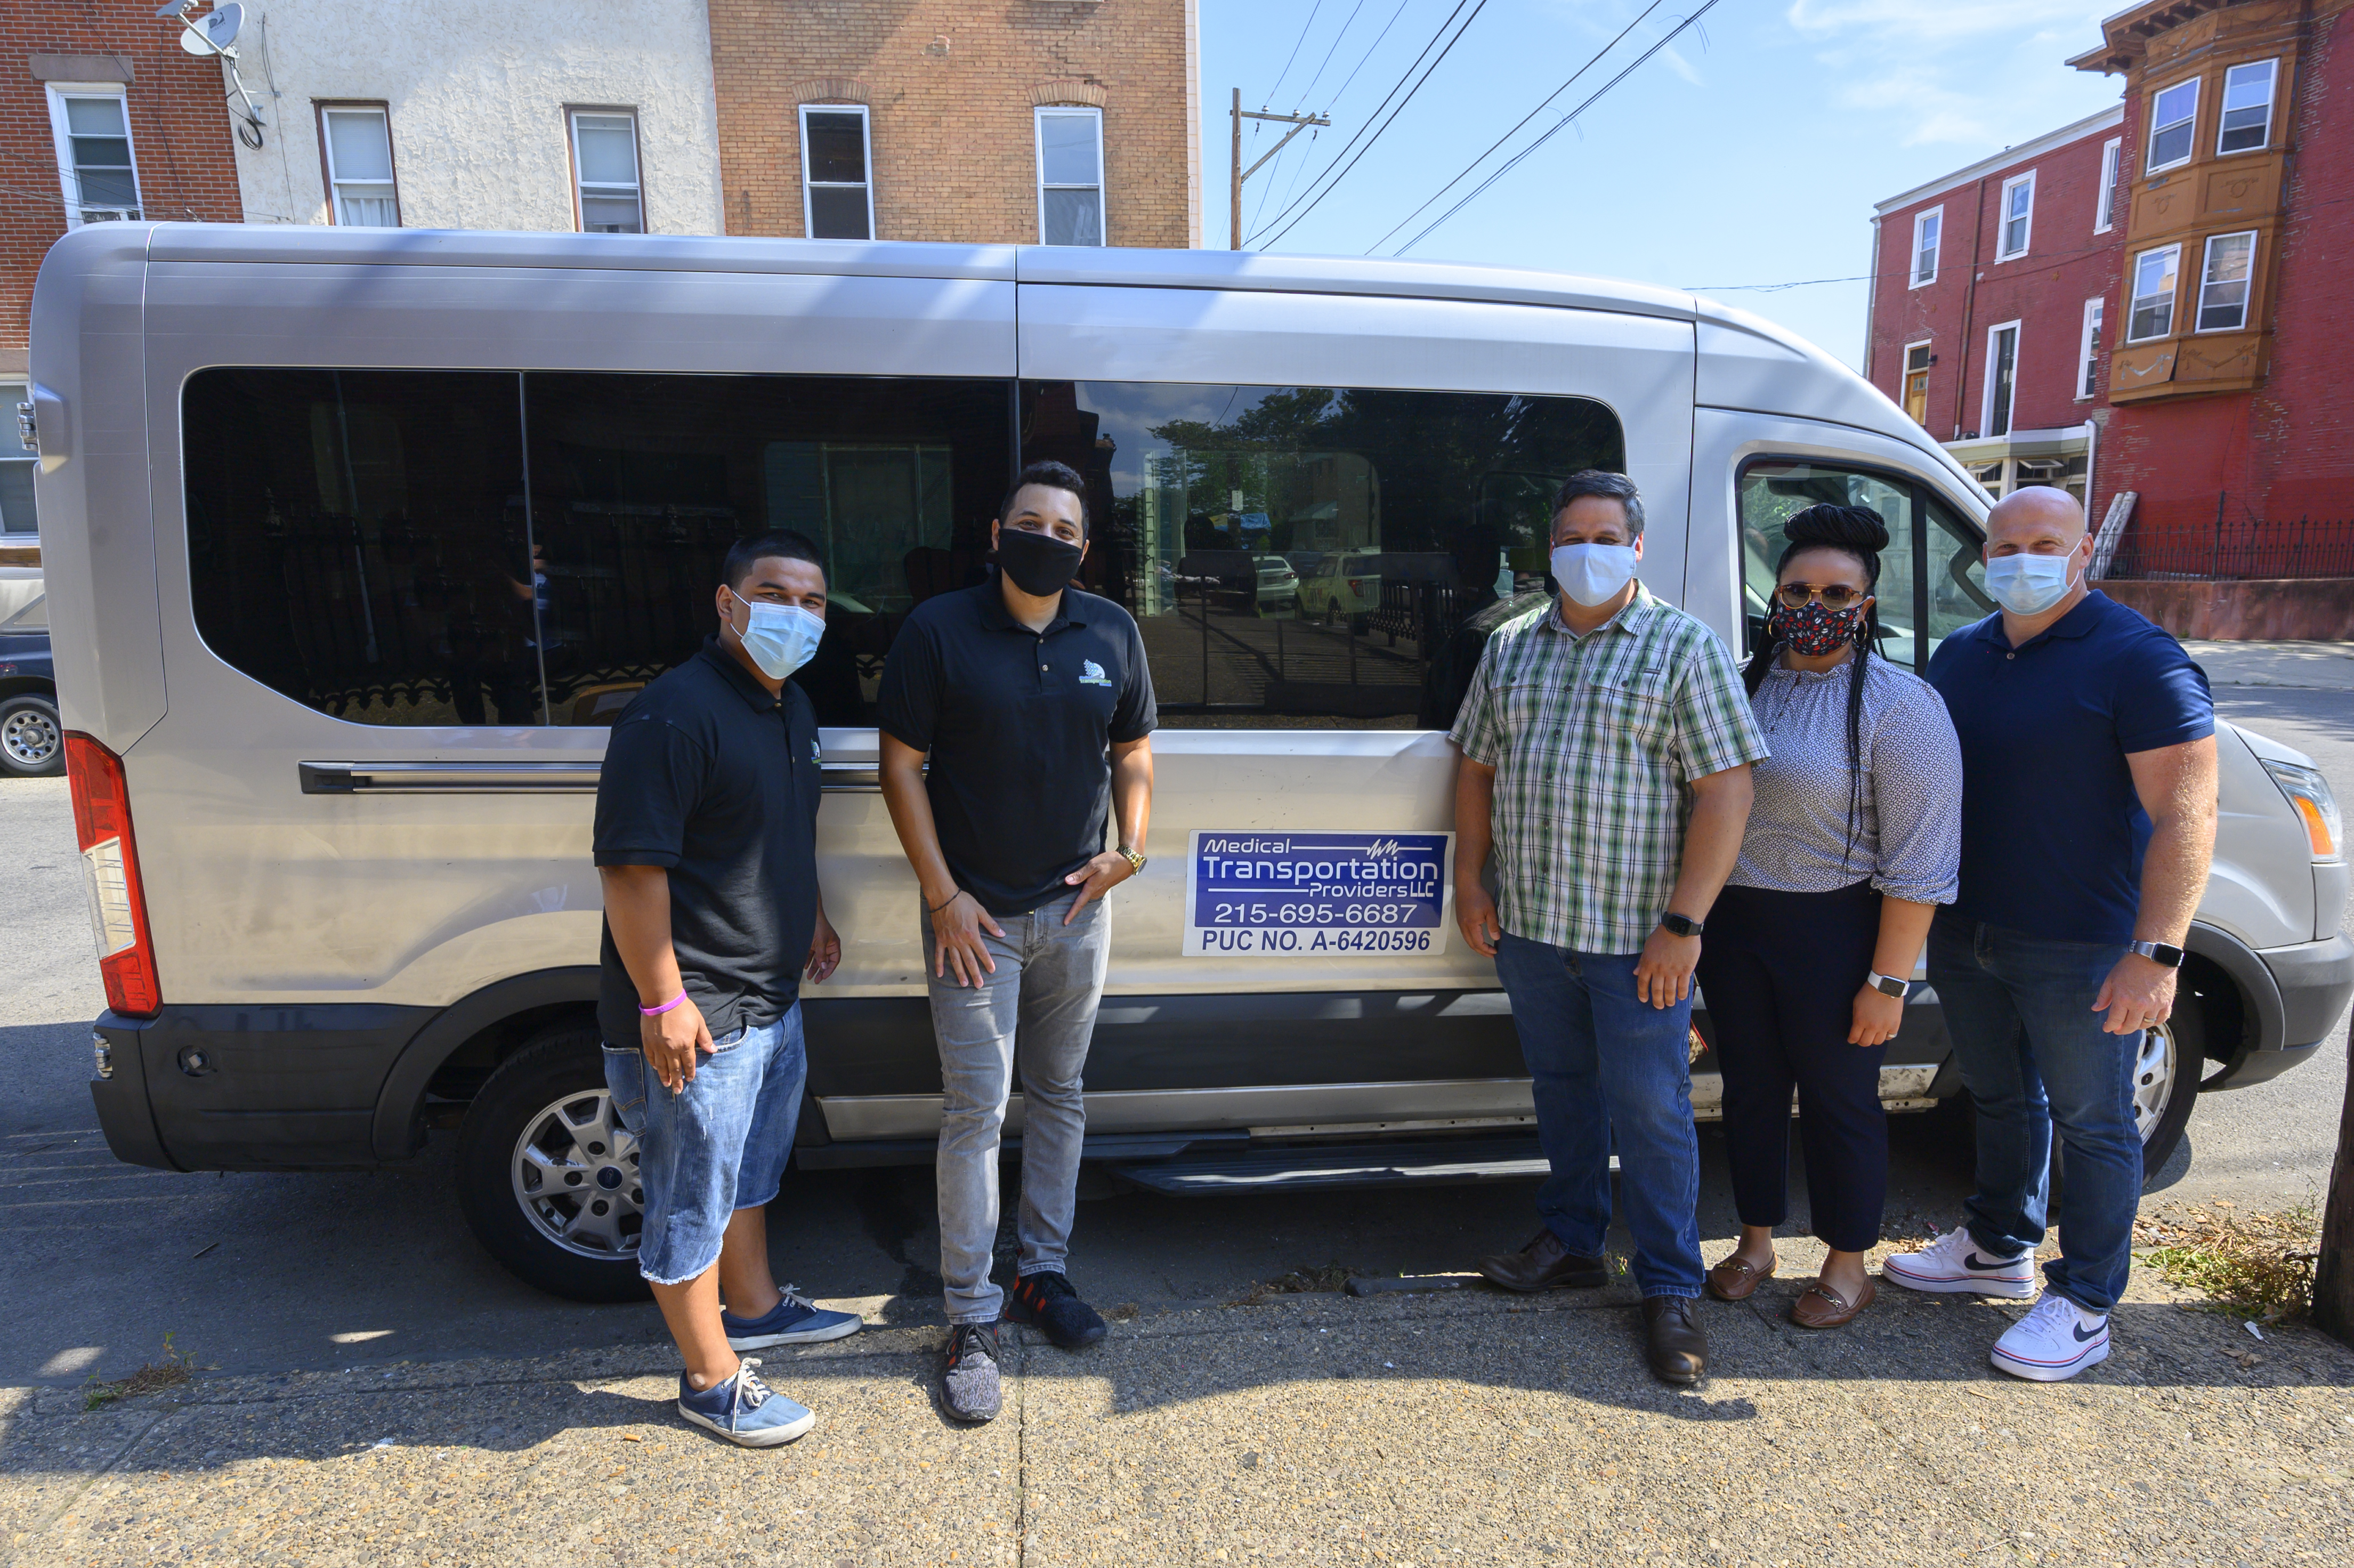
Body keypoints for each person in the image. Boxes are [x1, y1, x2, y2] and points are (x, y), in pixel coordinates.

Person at [1884, 486, 2217, 1383]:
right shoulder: (1962, 652)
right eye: (2003, 545)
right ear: (1982, 556)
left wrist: (2155, 953)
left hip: (2083, 944)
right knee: (1998, 1099)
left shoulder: (2137, 660)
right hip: (1969, 931)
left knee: (2096, 1123)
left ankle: (2085, 1300)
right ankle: (1998, 1246)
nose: (2019, 560)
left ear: (2081, 555)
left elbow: (2186, 816)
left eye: (2043, 543)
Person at [1452, 470, 1768, 1385]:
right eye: (1568, 535)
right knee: (1562, 1089)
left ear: (1635, 547)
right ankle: (1575, 1235)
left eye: (1604, 534)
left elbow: (1726, 791)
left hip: (1640, 941)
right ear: (1548, 549)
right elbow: (1475, 766)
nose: (1584, 550)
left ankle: (1668, 1284)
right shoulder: (1511, 645)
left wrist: (1685, 924)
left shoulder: (1682, 647)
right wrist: (1472, 882)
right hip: (1532, 927)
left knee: (1652, 1110)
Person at [875, 459, 1156, 1424]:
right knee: (976, 1109)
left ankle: (1041, 1272)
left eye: (1066, 528)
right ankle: (969, 1316)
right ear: (997, 534)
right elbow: (900, 767)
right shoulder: (939, 630)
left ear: (1084, 546)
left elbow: (1134, 750)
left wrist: (1132, 851)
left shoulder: (1110, 629)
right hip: (975, 920)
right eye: (1029, 521)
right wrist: (943, 894)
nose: (1049, 537)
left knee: (1063, 1094)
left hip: (1078, 909)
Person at [594, 530, 863, 1448]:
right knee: (689, 1198)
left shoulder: (789, 707)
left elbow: (783, 829)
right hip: (700, 1013)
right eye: (774, 592)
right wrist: (664, 1002)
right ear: (726, 601)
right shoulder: (673, 714)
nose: (796, 612)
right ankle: (709, 1378)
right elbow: (632, 869)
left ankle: (751, 1305)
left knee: (750, 1171)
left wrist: (814, 915)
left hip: (772, 998)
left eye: (814, 600)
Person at [1695, 505, 1961, 1329]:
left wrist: (1887, 981)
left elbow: (1920, 860)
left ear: (1866, 605)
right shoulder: (1738, 686)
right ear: (1772, 595)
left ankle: (1849, 1262)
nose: (1814, 605)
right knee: (1749, 1091)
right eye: (1797, 588)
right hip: (1735, 926)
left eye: (1836, 591)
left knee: (1841, 1099)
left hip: (1837, 931)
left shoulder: (1899, 706)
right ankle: (1754, 1240)